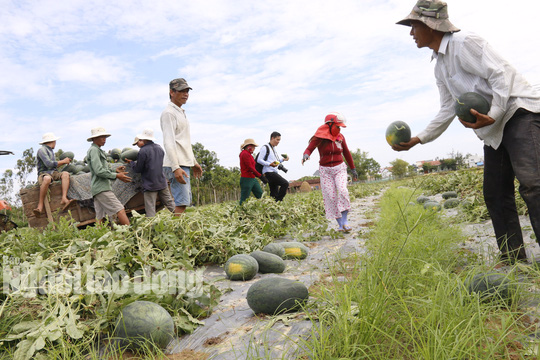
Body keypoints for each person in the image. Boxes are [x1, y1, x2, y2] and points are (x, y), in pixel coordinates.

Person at [395, 0, 540, 263]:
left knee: (534, 184)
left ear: (430, 25)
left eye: (414, 25)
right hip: (493, 128)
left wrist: (494, 113)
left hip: (517, 113)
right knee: (495, 192)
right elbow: (448, 107)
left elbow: (502, 74)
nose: (411, 32)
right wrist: (418, 139)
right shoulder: (440, 65)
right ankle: (514, 258)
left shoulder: (465, 44)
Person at [302, 112, 358, 232]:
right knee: (330, 197)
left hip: (339, 168)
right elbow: (309, 148)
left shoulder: (341, 137)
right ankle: (340, 224)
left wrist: (353, 168)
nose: (339, 129)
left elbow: (347, 153)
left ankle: (345, 220)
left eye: (340, 127)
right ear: (329, 125)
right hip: (325, 170)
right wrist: (306, 154)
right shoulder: (319, 137)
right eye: (337, 127)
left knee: (342, 190)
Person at [160, 78, 203, 215]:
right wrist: (175, 167)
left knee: (184, 202)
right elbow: (169, 142)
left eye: (187, 91)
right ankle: (176, 233)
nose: (185, 94)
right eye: (181, 91)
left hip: (183, 162)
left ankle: (178, 231)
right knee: (182, 203)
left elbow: (183, 142)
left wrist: (194, 162)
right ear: (171, 92)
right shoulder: (169, 113)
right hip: (176, 163)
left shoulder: (180, 112)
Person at [86, 127, 132, 225]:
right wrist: (116, 175)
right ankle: (131, 234)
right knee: (120, 209)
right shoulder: (94, 150)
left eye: (105, 137)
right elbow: (98, 171)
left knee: (100, 217)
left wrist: (115, 169)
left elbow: (102, 168)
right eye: (101, 137)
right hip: (102, 188)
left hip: (98, 188)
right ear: (94, 138)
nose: (104, 139)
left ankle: (97, 237)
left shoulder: (97, 150)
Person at [125, 129, 175, 217]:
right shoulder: (160, 148)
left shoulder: (143, 151)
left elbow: (138, 169)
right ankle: (181, 217)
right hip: (162, 181)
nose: (137, 145)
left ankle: (151, 228)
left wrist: (131, 163)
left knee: (150, 208)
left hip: (150, 184)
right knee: (170, 203)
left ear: (142, 140)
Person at [33, 132, 74, 216]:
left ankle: (64, 198)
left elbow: (54, 166)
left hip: (53, 173)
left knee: (65, 174)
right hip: (44, 173)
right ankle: (40, 205)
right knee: (47, 179)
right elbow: (49, 164)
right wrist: (63, 161)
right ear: (52, 141)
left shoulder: (50, 151)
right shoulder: (42, 150)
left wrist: (63, 163)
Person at [257, 131, 290, 201]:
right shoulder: (265, 147)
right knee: (285, 184)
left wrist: (283, 159)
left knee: (274, 193)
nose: (278, 142)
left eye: (279, 140)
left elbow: (276, 162)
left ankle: (273, 205)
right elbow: (259, 160)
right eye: (277, 140)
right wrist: (269, 164)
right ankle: (278, 201)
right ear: (272, 138)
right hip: (269, 172)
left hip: (273, 172)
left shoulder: (273, 148)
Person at [239, 138, 268, 204]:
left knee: (261, 196)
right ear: (249, 146)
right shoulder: (244, 154)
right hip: (246, 179)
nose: (254, 149)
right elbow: (250, 168)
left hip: (253, 179)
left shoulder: (249, 155)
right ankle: (236, 212)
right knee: (244, 200)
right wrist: (260, 176)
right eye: (253, 147)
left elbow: (254, 166)